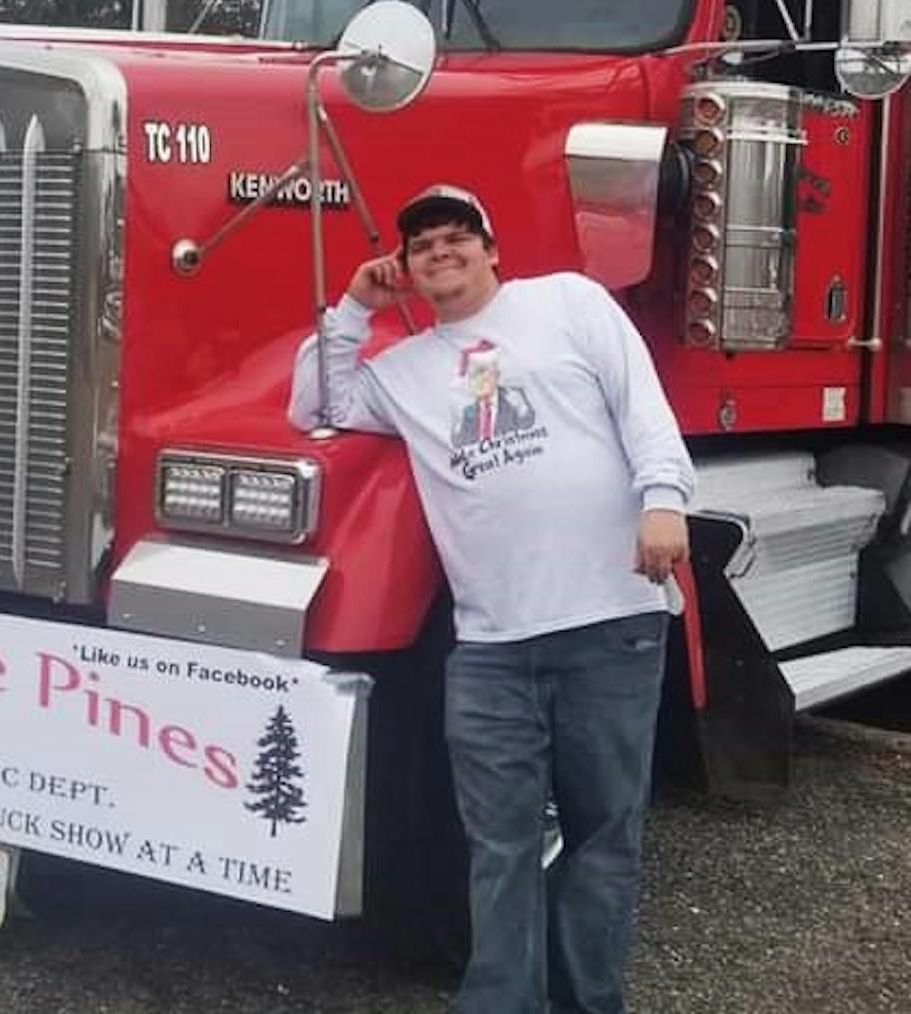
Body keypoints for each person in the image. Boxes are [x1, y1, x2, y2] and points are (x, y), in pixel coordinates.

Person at [288, 184, 693, 1014]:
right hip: (490, 650)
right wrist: (357, 305)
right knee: (501, 845)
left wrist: (663, 499)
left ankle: (590, 1002)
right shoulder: (403, 372)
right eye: (422, 247)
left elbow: (641, 402)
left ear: (491, 247)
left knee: (602, 839)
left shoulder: (569, 304)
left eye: (455, 237)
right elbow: (316, 401)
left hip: (610, 625)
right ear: (407, 268)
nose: (441, 253)